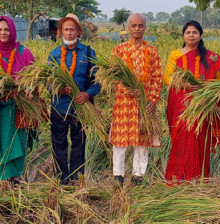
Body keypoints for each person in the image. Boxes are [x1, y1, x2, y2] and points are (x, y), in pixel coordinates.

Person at [164, 20, 220, 184]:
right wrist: (185, 85)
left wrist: (203, 87)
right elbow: (167, 77)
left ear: (201, 35)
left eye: (195, 32)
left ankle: (198, 177)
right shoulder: (175, 54)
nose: (191, 35)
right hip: (180, 105)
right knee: (181, 139)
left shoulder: (210, 57)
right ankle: (179, 176)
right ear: (183, 35)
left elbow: (218, 81)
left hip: (202, 105)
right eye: (188, 32)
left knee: (199, 138)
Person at [110, 13, 163, 186]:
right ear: (128, 27)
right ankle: (118, 175)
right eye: (133, 26)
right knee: (120, 139)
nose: (137, 29)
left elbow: (157, 78)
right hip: (123, 103)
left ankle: (138, 175)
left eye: (140, 25)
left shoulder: (152, 52)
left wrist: (153, 101)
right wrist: (127, 90)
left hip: (144, 104)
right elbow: (113, 75)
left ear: (145, 27)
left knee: (142, 140)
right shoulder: (119, 50)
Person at [48, 13, 100, 185]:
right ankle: (61, 179)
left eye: (72, 29)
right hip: (59, 107)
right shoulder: (54, 55)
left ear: (78, 31)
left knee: (79, 142)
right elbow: (47, 82)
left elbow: (98, 81)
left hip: (81, 107)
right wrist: (59, 89)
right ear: (61, 32)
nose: (69, 33)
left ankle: (77, 178)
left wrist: (87, 94)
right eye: (66, 29)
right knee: (59, 143)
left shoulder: (88, 52)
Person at [0, 16, 36, 185]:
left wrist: (28, 89)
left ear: (12, 31)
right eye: (0, 30)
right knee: (3, 141)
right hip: (1, 107)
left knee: (18, 141)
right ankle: (4, 178)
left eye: (7, 29)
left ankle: (16, 177)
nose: (3, 33)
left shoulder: (23, 52)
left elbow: (35, 76)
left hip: (20, 107)